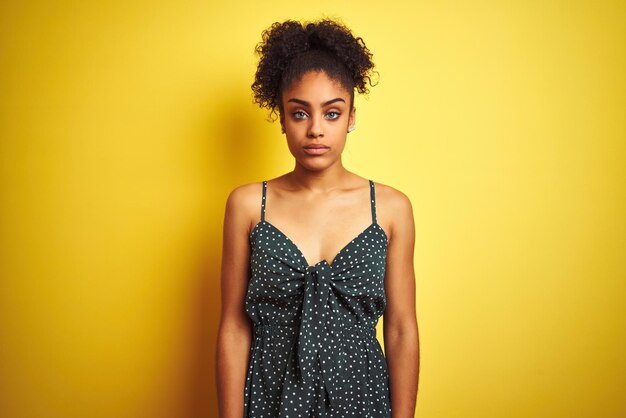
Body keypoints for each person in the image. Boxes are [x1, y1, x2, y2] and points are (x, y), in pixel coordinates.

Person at [216, 18, 419, 418]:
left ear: (351, 118)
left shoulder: (392, 209)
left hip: (363, 400)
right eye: (299, 113)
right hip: (270, 398)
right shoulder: (246, 206)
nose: (315, 131)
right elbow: (233, 329)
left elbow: (401, 330)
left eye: (331, 113)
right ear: (281, 118)